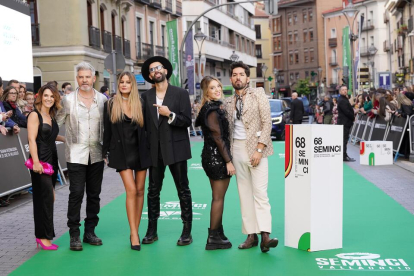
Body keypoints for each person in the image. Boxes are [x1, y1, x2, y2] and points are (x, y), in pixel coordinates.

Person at [224, 61, 278, 253]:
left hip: (256, 148)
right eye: (235, 74)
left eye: (241, 74)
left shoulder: (259, 94)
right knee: (244, 193)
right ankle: (251, 236)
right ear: (231, 79)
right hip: (236, 150)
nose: (238, 77)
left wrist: (259, 149)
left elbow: (267, 122)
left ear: (248, 78)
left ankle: (265, 235)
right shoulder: (228, 102)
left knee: (260, 193)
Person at [140, 56, 193, 246]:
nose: (156, 71)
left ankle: (187, 231)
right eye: (152, 70)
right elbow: (143, 126)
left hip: (176, 148)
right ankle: (151, 231)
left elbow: (187, 120)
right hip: (155, 151)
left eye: (159, 68)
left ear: (165, 71)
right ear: (149, 75)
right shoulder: (145, 97)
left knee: (183, 190)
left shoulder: (180, 93)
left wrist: (169, 115)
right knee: (153, 191)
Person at [56, 62, 107, 251]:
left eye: (88, 77)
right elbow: (56, 122)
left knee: (94, 195)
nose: (84, 80)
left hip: (97, 154)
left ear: (94, 78)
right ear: (76, 79)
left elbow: (108, 127)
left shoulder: (103, 100)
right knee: (76, 194)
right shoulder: (68, 100)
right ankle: (74, 235)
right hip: (75, 154)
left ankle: (90, 232)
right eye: (81, 77)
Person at [102, 72, 151, 251]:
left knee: (140, 191)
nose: (124, 85)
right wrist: (104, 152)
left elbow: (148, 130)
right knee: (130, 190)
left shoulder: (141, 102)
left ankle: (136, 229)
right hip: (121, 153)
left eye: (127, 82)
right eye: (121, 82)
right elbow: (107, 130)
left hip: (141, 152)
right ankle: (133, 233)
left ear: (133, 85)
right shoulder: (110, 104)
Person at [195, 76, 235, 250]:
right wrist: (228, 161)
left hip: (210, 156)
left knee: (217, 197)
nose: (217, 89)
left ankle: (218, 232)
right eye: (212, 88)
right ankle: (213, 238)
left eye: (218, 86)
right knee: (218, 198)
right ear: (206, 91)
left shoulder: (210, 108)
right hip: (217, 157)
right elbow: (218, 138)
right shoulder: (212, 110)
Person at [27, 84, 63, 250]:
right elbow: (32, 140)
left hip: (52, 160)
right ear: (40, 96)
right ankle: (43, 237)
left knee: (49, 198)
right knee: (45, 198)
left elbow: (51, 135)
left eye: (52, 96)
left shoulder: (51, 115)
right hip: (40, 161)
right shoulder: (35, 115)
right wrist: (35, 162)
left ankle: (42, 235)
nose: (49, 99)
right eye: (46, 95)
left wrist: (67, 139)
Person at [337, 85, 356, 162]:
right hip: (344, 122)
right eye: (343, 90)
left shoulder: (344, 99)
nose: (345, 91)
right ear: (340, 91)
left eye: (346, 89)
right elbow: (347, 112)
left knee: (344, 139)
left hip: (345, 122)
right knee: (344, 139)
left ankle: (344, 155)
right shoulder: (342, 100)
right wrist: (353, 117)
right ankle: (344, 156)